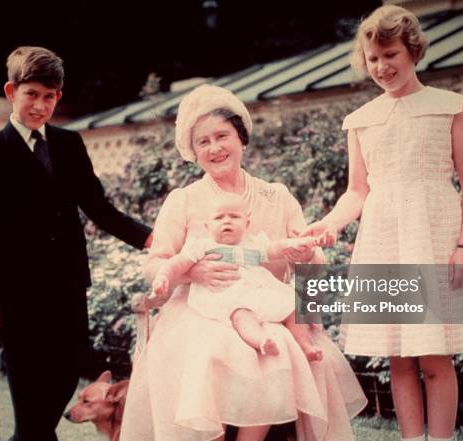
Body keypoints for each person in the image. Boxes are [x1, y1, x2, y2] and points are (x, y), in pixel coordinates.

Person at [301, 5, 463, 441]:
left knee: (433, 357)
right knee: (398, 357)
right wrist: (328, 223)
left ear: (412, 50)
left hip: (434, 239)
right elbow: (357, 191)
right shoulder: (361, 121)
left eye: (390, 54)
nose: (382, 66)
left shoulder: (449, 107)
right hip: (385, 242)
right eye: (373, 59)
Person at [120, 84, 366, 441]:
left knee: (282, 346)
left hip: (268, 309)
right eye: (203, 142)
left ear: (242, 139)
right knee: (217, 349)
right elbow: (154, 264)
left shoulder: (276, 195)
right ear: (193, 151)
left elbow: (310, 261)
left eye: (222, 136)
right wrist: (191, 271)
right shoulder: (184, 200)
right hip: (200, 313)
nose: (214, 148)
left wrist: (309, 287)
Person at [0, 46, 152, 441]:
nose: (39, 105)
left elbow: (99, 207)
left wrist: (149, 237)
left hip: (67, 288)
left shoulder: (69, 144)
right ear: (11, 91)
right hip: (17, 295)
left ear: (58, 98)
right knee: (30, 396)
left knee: (65, 377)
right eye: (31, 94)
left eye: (49, 97)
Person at [152, 193, 322, 360]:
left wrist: (294, 244)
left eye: (234, 216)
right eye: (219, 217)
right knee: (241, 316)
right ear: (207, 226)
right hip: (227, 295)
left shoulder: (253, 244)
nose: (227, 221)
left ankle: (306, 345)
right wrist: (163, 276)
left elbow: (275, 249)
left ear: (247, 224)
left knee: (293, 307)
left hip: (257, 291)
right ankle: (262, 341)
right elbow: (176, 263)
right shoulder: (202, 246)